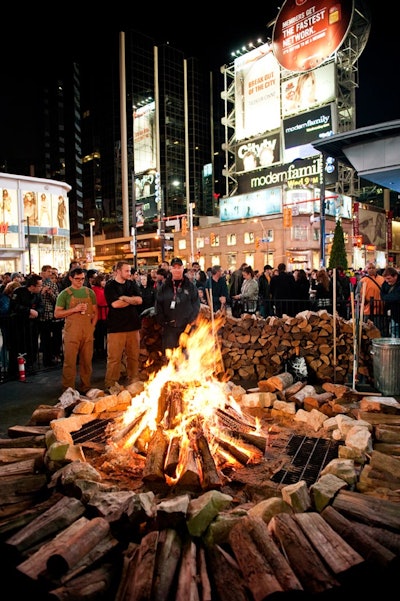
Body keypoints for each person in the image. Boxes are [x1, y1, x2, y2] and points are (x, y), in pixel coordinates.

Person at [54, 267, 98, 393]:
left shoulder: (90, 293)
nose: (80, 281)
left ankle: (86, 386)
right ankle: (68, 389)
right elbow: (57, 314)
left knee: (87, 361)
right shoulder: (65, 294)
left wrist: (92, 327)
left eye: (82, 279)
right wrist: (74, 309)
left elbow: (95, 312)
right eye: (77, 279)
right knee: (70, 362)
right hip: (72, 332)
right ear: (70, 278)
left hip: (87, 331)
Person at [104, 261, 143, 389]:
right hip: (116, 328)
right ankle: (111, 384)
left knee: (133, 356)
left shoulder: (132, 283)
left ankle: (133, 380)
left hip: (133, 326)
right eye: (126, 271)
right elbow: (115, 304)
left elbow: (140, 300)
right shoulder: (110, 286)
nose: (129, 273)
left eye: (129, 271)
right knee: (114, 358)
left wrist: (124, 298)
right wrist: (132, 300)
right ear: (118, 271)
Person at [155, 257, 200, 355]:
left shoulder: (190, 286)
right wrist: (163, 322)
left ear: (183, 268)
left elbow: (196, 306)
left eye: (179, 267)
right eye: (174, 268)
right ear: (171, 269)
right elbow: (158, 306)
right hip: (169, 329)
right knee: (170, 358)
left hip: (186, 328)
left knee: (187, 358)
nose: (177, 270)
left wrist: (190, 322)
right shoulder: (164, 287)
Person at [7, 273, 44, 379]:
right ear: (32, 286)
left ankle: (29, 367)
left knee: (32, 347)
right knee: (18, 348)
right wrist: (28, 311)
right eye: (39, 286)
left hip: (32, 326)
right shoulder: (18, 292)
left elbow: (41, 306)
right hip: (18, 326)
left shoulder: (37, 295)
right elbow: (14, 306)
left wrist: (37, 312)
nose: (41, 288)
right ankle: (15, 371)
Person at [39, 265, 63, 367]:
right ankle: (45, 359)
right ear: (43, 272)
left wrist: (50, 293)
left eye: (51, 272)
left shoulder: (52, 284)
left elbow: (57, 299)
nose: (50, 273)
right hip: (41, 314)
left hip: (50, 314)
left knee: (52, 338)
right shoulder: (39, 283)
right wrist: (41, 292)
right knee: (44, 338)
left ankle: (52, 357)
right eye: (48, 271)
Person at [356, 263, 385, 331]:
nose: (371, 269)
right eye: (369, 268)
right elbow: (357, 293)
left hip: (380, 308)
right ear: (366, 269)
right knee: (368, 330)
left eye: (373, 268)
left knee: (379, 329)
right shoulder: (362, 280)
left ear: (376, 269)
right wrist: (360, 299)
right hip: (367, 309)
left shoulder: (382, 279)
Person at [92, 272, 109, 358]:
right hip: (99, 315)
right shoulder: (95, 289)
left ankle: (103, 350)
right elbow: (100, 301)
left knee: (105, 333)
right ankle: (99, 350)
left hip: (105, 314)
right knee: (99, 334)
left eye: (105, 280)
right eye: (102, 280)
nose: (104, 282)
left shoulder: (104, 289)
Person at [380, 267, 400, 338]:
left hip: (396, 312)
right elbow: (382, 296)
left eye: (389, 278)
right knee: (394, 334)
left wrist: (387, 297)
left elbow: (397, 297)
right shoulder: (385, 284)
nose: (387, 281)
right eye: (385, 279)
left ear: (395, 276)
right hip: (392, 314)